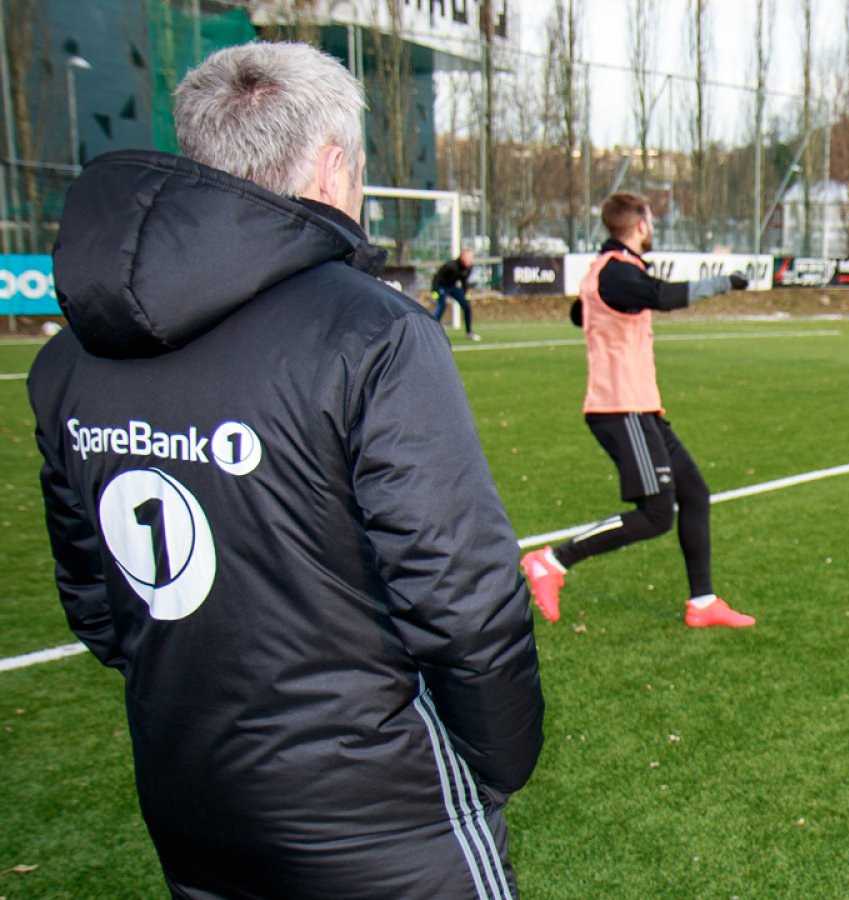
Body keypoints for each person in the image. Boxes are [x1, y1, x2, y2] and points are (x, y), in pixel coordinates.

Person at [30, 44, 542, 898]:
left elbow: (94, 599)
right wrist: (499, 757)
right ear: (334, 166)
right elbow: (461, 593)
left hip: (190, 790)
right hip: (379, 809)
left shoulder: (70, 360)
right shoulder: (370, 333)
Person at [521, 192, 756, 629]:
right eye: (651, 220)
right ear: (640, 225)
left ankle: (702, 603)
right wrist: (725, 282)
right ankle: (551, 561)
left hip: (642, 407)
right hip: (620, 407)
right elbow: (661, 296)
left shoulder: (608, 273)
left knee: (695, 494)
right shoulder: (614, 272)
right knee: (655, 514)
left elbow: (581, 313)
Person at [431, 247, 480, 341]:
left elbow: (464, 281)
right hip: (441, 286)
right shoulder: (451, 266)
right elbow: (437, 277)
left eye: (471, 257)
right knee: (442, 305)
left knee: (467, 306)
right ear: (462, 257)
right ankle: (432, 327)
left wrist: (466, 294)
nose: (471, 260)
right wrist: (434, 291)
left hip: (453, 287)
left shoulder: (468, 268)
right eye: (468, 257)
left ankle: (469, 332)